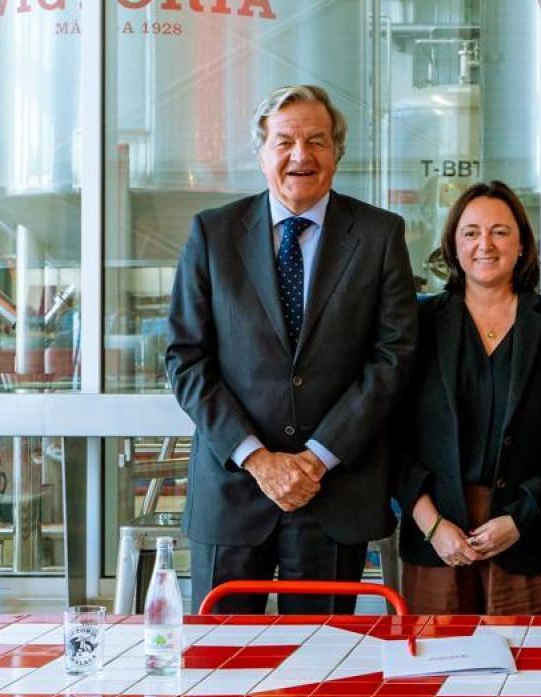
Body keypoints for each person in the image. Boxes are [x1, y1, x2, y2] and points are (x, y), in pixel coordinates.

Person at [166, 83, 417, 614]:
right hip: (233, 490)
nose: (300, 155)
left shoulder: (379, 235)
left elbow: (394, 357)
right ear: (261, 154)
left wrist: (316, 459)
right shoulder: (213, 234)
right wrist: (257, 458)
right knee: (219, 669)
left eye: (317, 141)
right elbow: (186, 359)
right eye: (284, 141)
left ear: (337, 153)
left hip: (334, 490)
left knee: (323, 671)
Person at [392, 182, 541, 614]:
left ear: (521, 244)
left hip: (529, 535)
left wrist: (521, 518)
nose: (485, 244)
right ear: (453, 245)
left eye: (500, 232)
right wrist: (432, 524)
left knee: (530, 672)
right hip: (438, 535)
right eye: (471, 232)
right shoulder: (416, 325)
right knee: (437, 671)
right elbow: (390, 436)